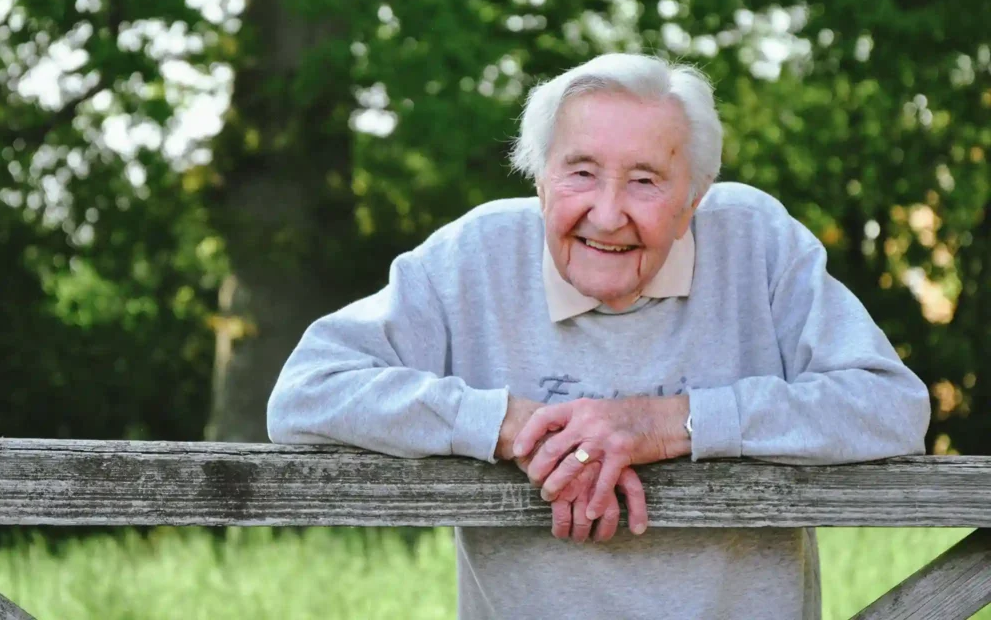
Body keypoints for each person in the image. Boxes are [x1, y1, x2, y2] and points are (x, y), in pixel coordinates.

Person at [267, 53, 931, 619]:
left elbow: (890, 406)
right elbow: (306, 391)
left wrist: (673, 423)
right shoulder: (474, 257)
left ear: (693, 199)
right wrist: (504, 423)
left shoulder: (756, 243)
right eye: (581, 172)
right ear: (540, 179)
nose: (607, 214)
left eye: (645, 181)